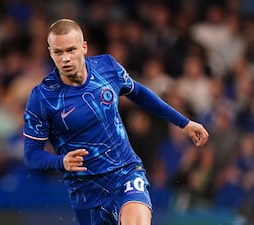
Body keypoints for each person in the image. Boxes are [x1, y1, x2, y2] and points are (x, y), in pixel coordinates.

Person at [22, 18, 209, 225]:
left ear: (84, 48)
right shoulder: (42, 98)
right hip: (86, 193)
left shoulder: (107, 67)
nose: (65, 58)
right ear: (50, 52)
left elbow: (139, 93)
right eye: (58, 52)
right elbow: (31, 155)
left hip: (125, 174)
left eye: (71, 50)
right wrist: (61, 162)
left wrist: (183, 123)